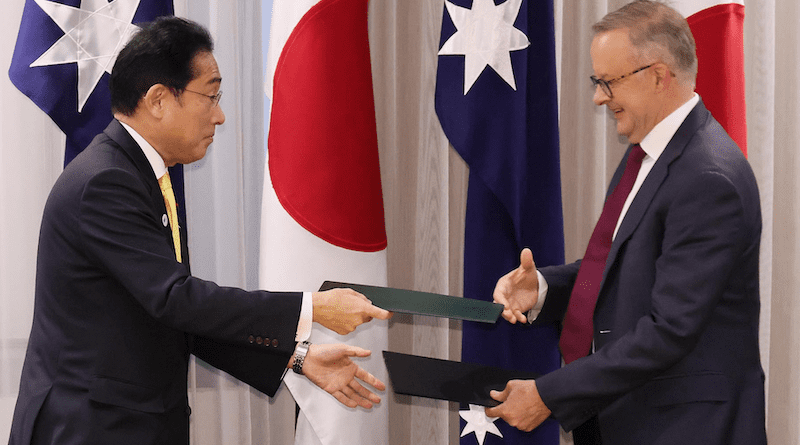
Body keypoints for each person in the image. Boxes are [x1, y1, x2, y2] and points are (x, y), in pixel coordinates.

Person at [8, 16, 391, 445]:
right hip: (89, 429)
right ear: (157, 99)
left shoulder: (140, 175)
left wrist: (297, 359)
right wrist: (312, 308)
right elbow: (177, 300)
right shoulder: (106, 182)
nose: (221, 116)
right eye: (210, 96)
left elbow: (175, 318)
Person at [485, 1, 766, 444]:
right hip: (626, 417)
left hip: (683, 429)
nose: (599, 97)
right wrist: (542, 287)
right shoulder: (647, 153)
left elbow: (670, 329)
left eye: (607, 82)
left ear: (658, 75)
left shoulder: (709, 178)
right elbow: (618, 270)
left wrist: (549, 394)